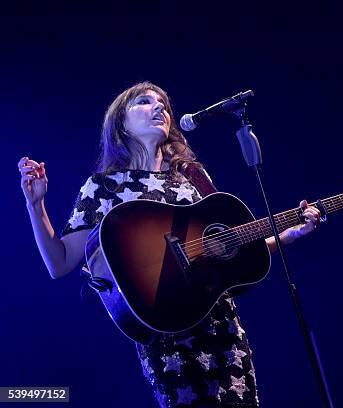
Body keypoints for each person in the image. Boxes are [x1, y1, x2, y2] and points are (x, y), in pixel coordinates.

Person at [18, 81, 321, 408]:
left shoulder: (193, 176)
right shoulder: (102, 188)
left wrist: (290, 235)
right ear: (121, 122)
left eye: (163, 103)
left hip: (222, 329)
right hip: (167, 335)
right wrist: (36, 206)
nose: (160, 107)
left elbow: (229, 247)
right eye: (145, 102)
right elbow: (60, 263)